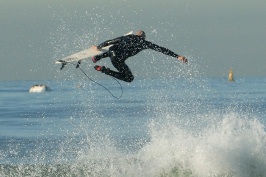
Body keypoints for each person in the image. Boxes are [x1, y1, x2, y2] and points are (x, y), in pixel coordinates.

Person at [91, 30, 187, 82]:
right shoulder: (145, 43)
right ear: (143, 38)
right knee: (129, 78)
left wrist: (98, 47)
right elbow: (161, 49)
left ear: (136, 35)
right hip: (117, 60)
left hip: (112, 51)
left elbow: (110, 41)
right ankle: (103, 70)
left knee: (115, 48)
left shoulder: (127, 37)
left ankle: (96, 57)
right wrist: (177, 56)